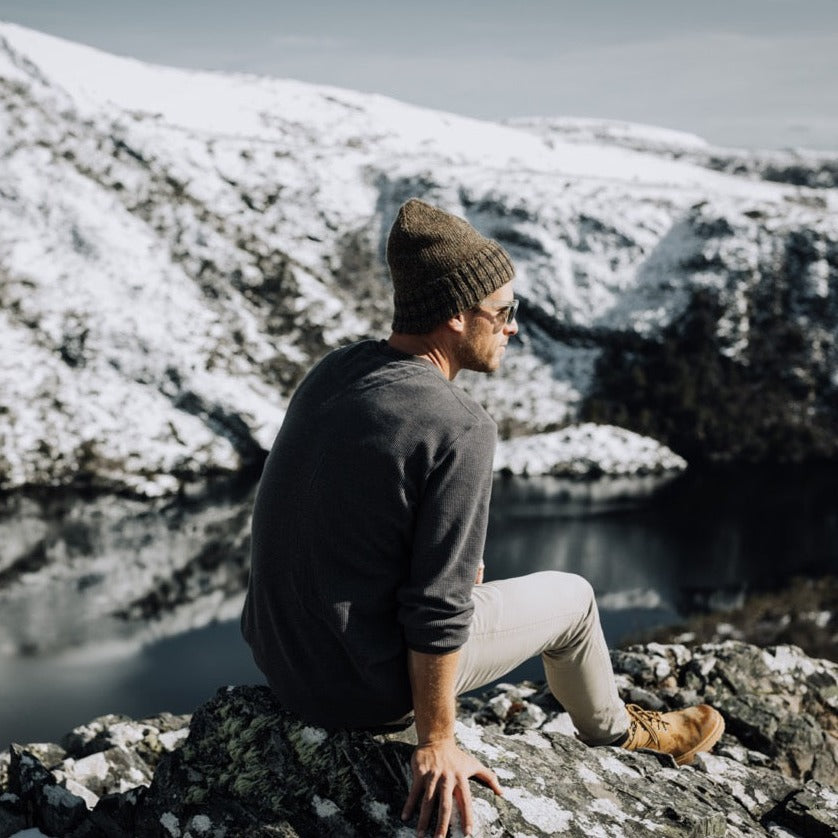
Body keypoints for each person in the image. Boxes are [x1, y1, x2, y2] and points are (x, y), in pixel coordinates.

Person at [241, 198, 724, 838]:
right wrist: (438, 739)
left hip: (283, 663)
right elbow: (436, 604)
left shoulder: (336, 370)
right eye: (502, 313)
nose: (513, 328)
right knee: (575, 599)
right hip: (361, 692)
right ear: (454, 315)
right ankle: (619, 731)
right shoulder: (459, 424)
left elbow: (324, 519)